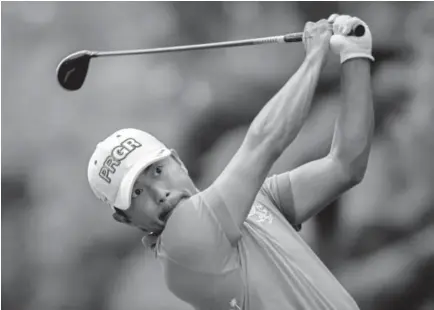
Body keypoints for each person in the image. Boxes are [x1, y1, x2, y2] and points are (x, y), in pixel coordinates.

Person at [87, 14, 374, 310]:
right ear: (125, 218)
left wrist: (355, 56)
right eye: (136, 192)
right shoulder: (180, 245)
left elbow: (345, 165)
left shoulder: (257, 201)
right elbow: (264, 143)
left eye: (157, 171)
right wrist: (315, 58)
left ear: (178, 161)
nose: (159, 193)